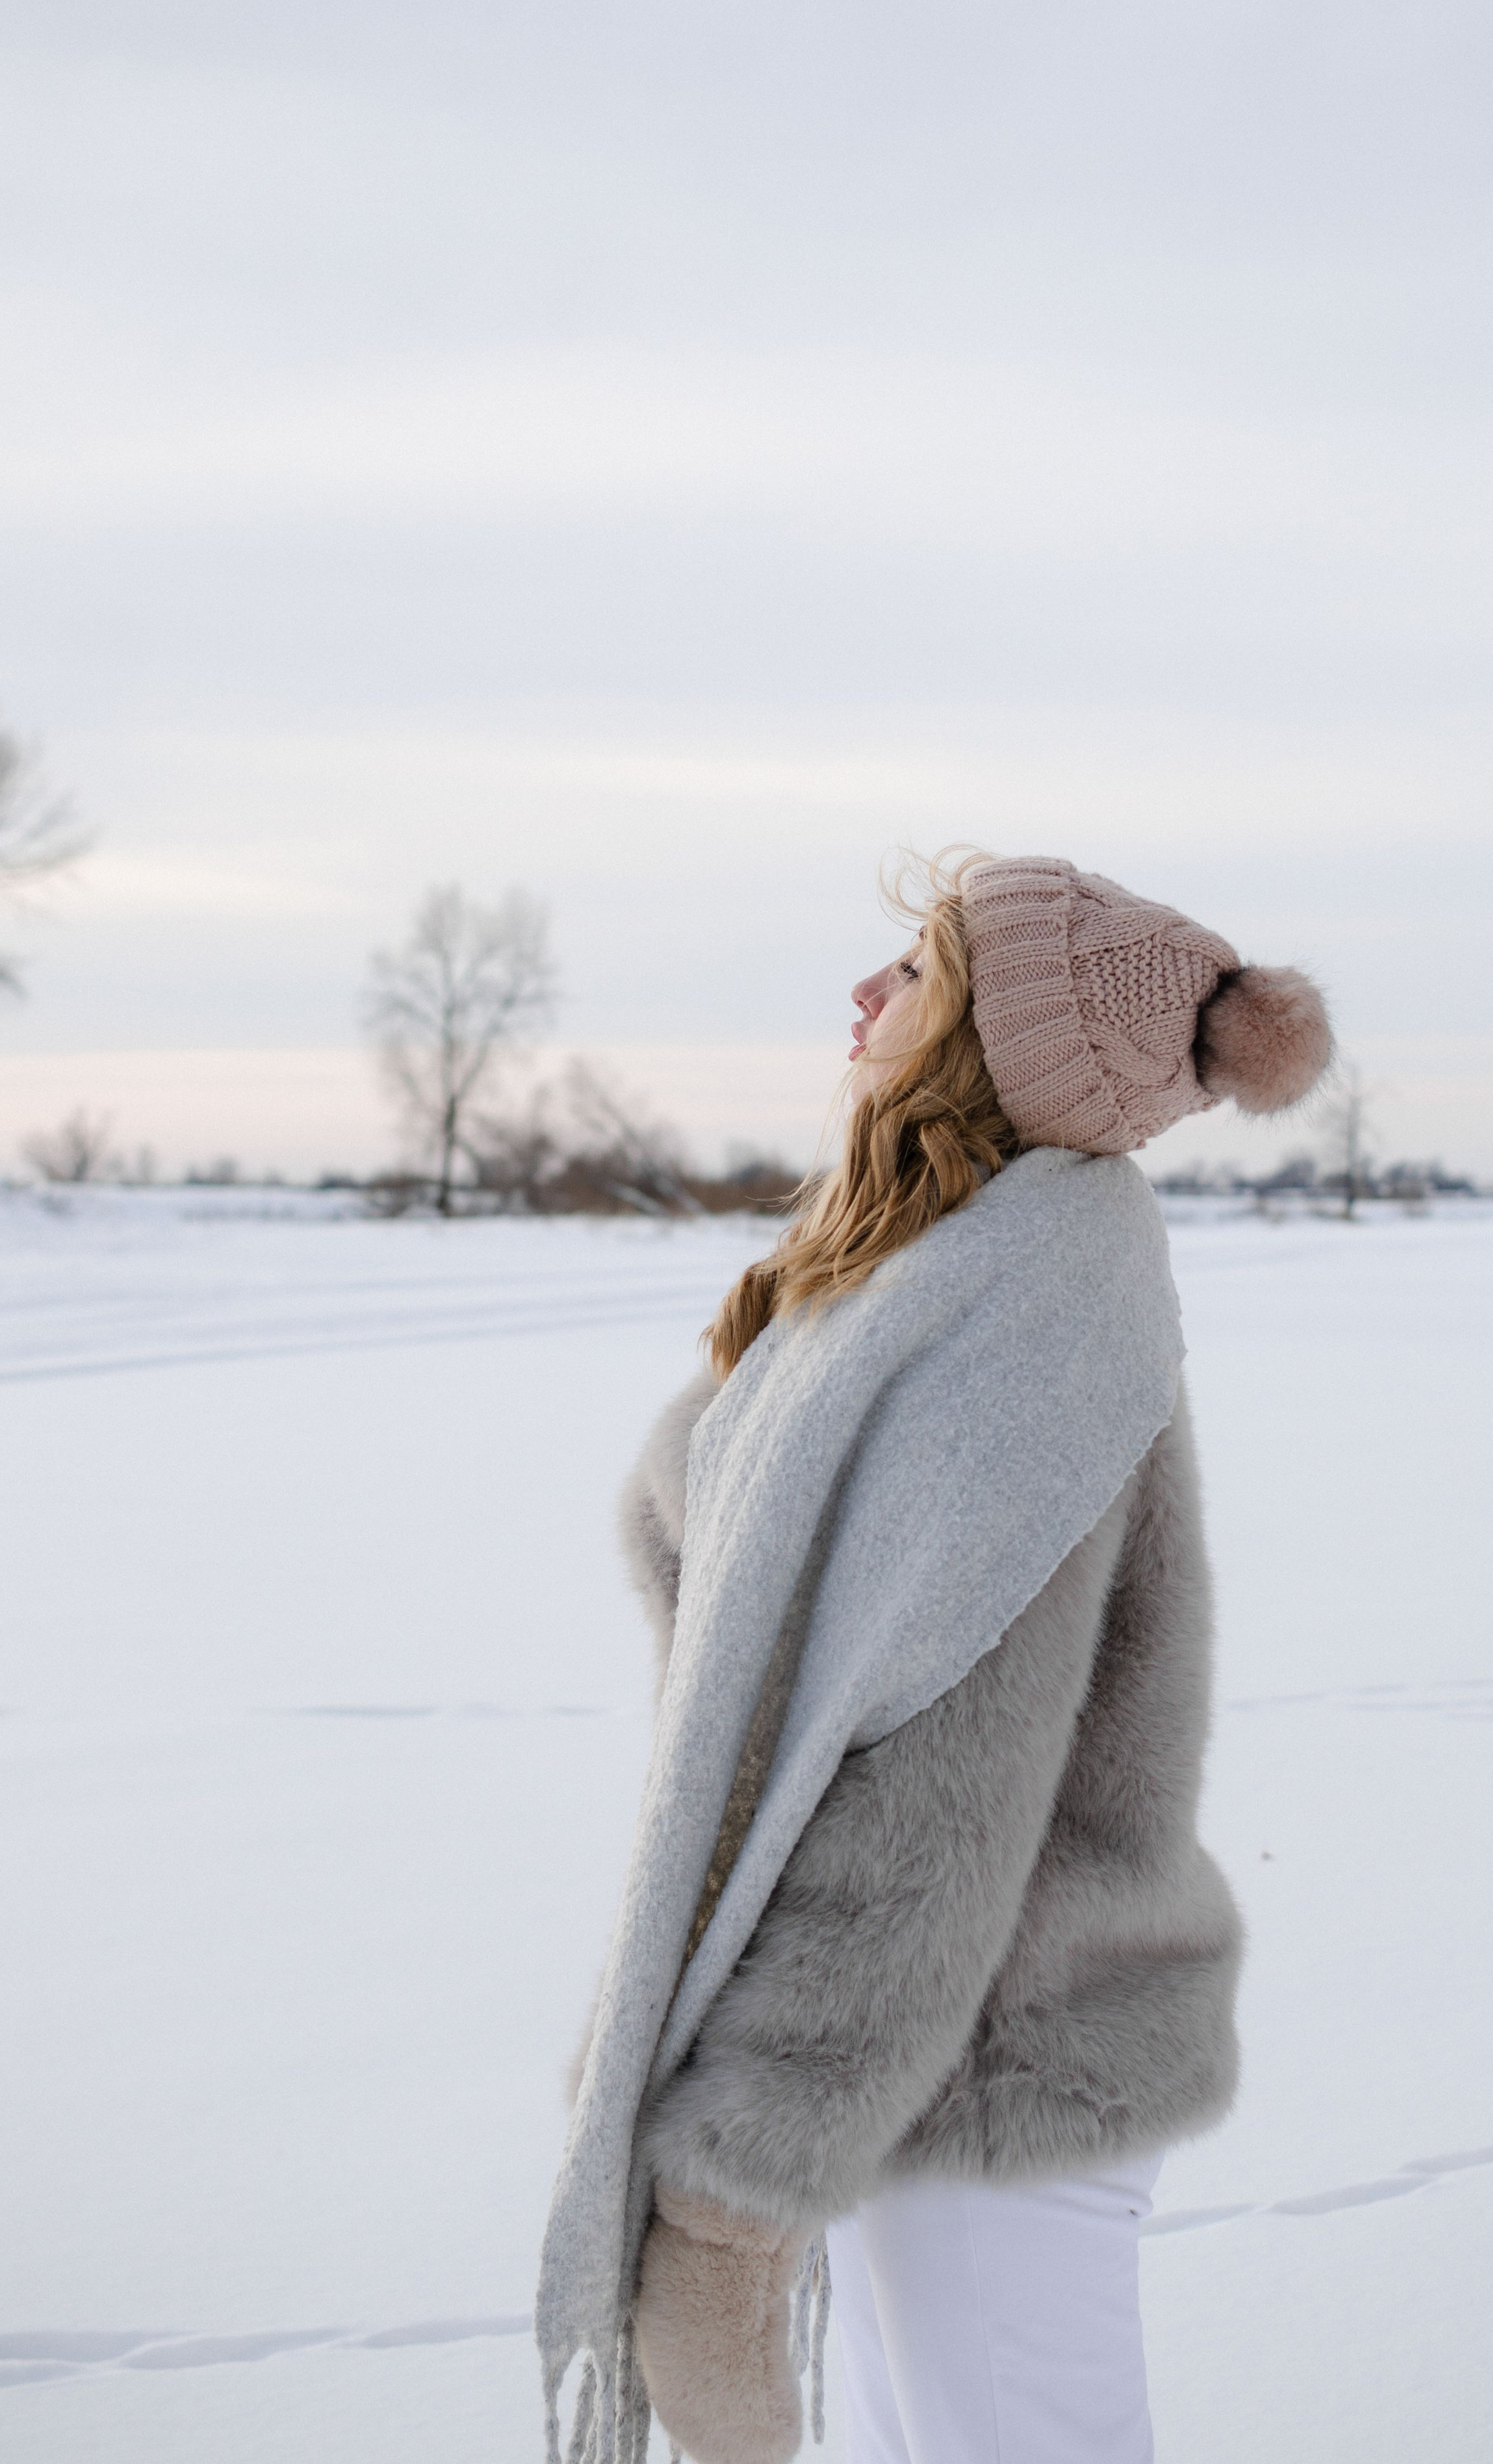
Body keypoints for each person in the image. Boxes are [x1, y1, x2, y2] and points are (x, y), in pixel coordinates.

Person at [536, 851, 1332, 2464]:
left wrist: (751, 2158)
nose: (859, 996)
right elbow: (734, 1581)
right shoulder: (938, 1276)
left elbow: (935, 1790)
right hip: (924, 2048)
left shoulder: (1028, 1317)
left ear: (994, 1034)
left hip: (985, 2056)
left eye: (908, 973)